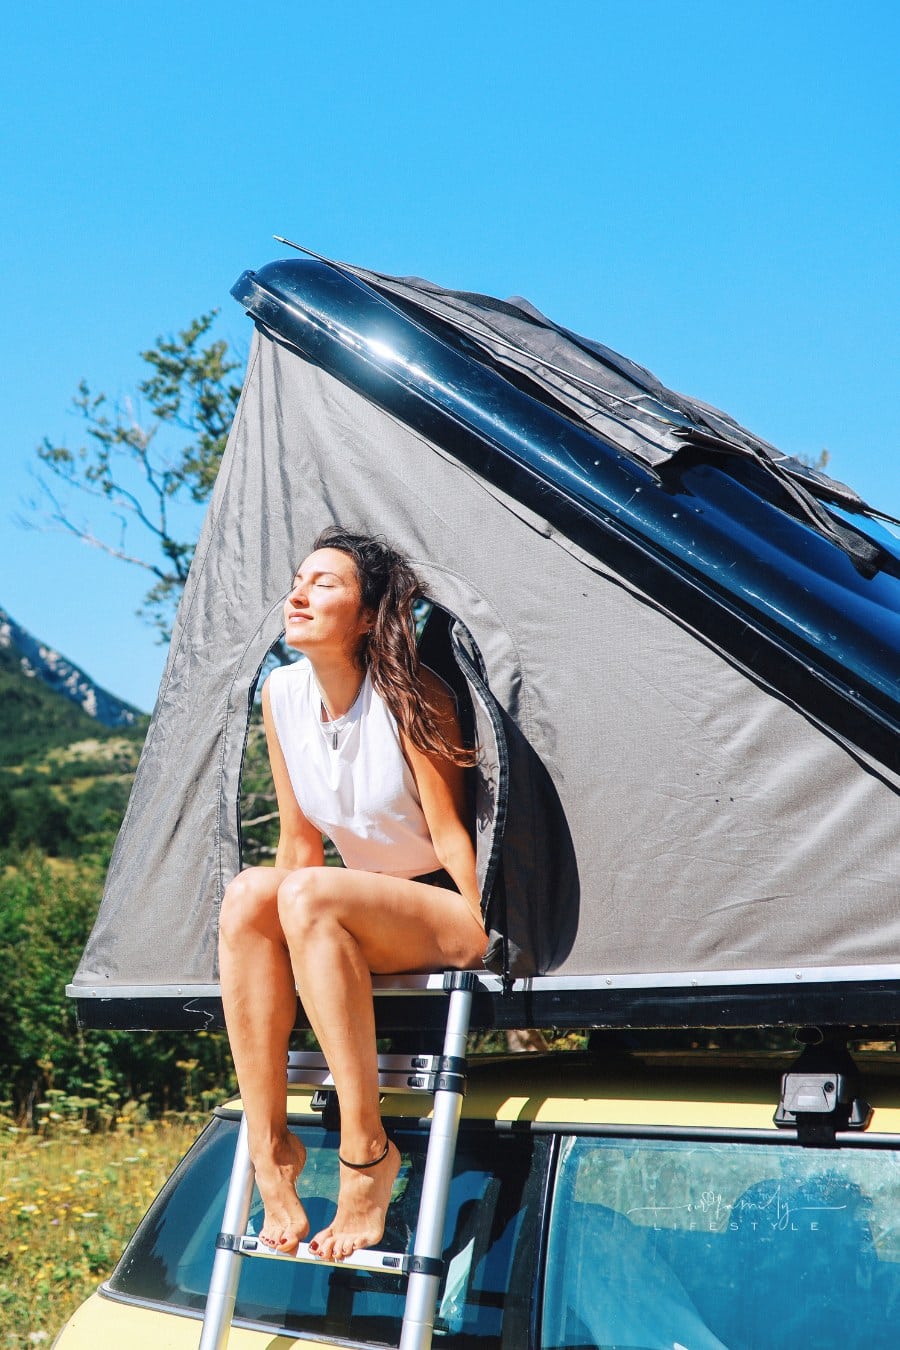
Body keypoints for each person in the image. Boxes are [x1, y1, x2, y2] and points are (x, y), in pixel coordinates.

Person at [218, 526, 488, 1264]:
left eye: (325, 584)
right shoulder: (282, 694)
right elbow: (299, 843)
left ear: (368, 616)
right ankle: (271, 1149)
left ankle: (367, 1153)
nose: (298, 595)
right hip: (350, 905)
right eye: (297, 581)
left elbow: (451, 832)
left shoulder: (413, 696)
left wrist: (492, 937)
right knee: (249, 895)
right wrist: (275, 914)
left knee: (306, 895)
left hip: (441, 905)